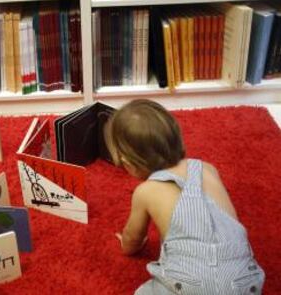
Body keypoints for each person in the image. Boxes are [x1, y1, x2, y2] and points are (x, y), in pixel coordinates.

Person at [104, 99, 265, 295]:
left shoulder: (146, 191)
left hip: (190, 285)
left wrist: (126, 244)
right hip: (245, 281)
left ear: (127, 162)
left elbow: (132, 240)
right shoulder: (207, 169)